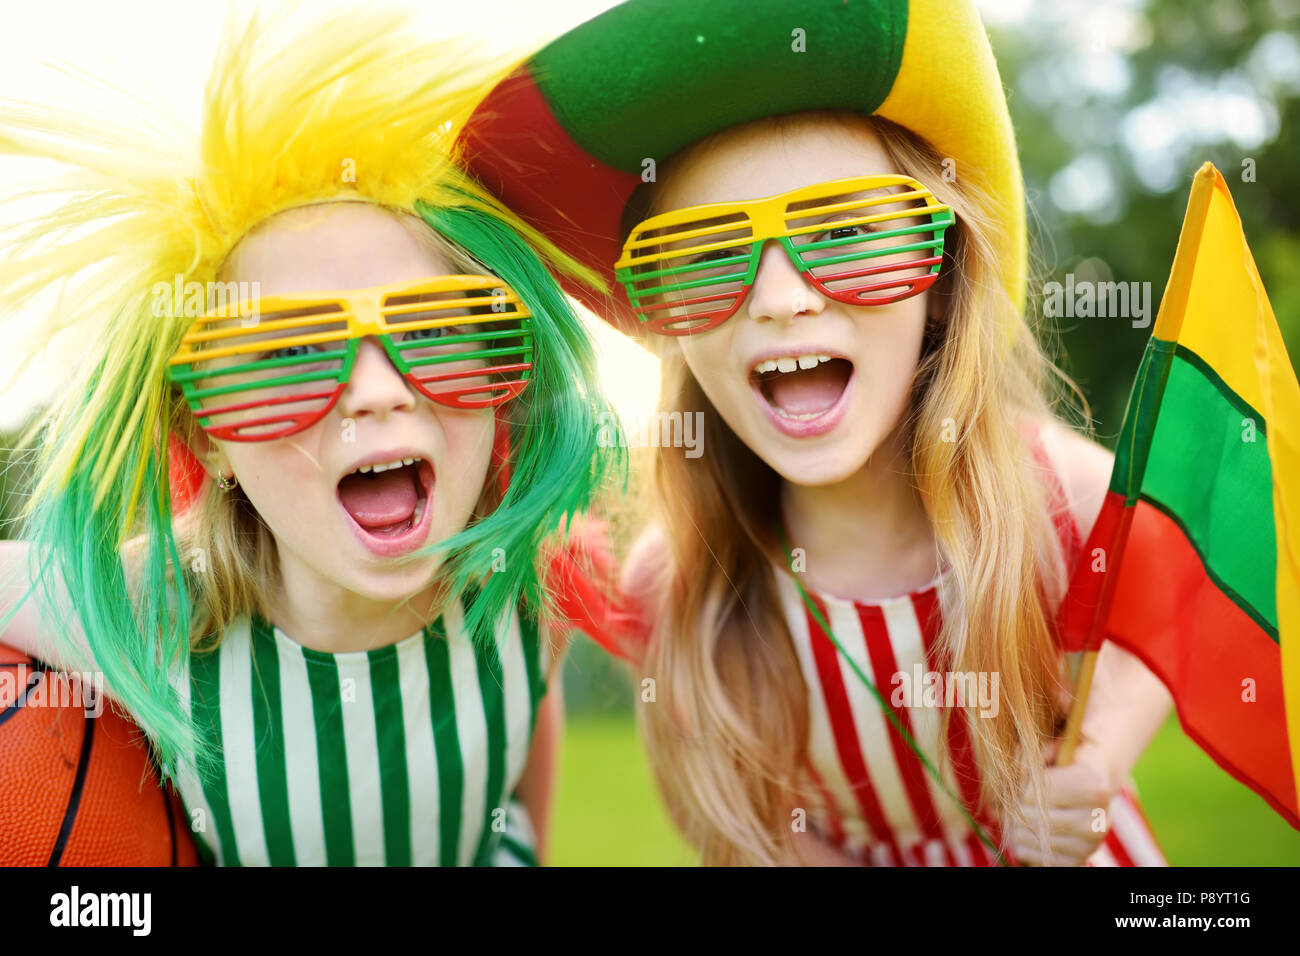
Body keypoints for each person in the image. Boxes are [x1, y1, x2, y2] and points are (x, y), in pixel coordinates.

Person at [460, 0, 1173, 866]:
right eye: (706, 253)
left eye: (843, 235)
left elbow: (1170, 594)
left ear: (940, 277)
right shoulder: (683, 591)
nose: (781, 297)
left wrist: (1098, 753)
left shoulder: (1057, 495)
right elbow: (736, 824)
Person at [0, 5, 621, 866]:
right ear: (207, 434)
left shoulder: (522, 584)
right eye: (286, 354)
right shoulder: (147, 611)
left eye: (437, 327)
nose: (375, 390)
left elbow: (526, 719)